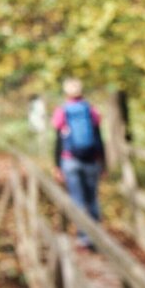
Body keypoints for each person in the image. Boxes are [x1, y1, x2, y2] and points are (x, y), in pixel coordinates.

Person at [52, 78, 106, 249]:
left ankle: (84, 236)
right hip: (92, 160)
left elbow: (58, 142)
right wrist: (104, 163)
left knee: (78, 199)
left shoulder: (62, 111)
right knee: (93, 199)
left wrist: (57, 165)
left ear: (66, 93)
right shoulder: (91, 111)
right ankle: (96, 235)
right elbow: (99, 138)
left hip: (70, 160)